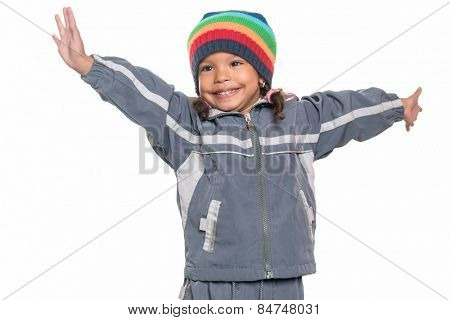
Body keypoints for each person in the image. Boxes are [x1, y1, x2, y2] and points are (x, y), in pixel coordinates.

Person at [52, 7, 423, 300]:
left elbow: (348, 112)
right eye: (207, 67)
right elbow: (145, 95)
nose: (221, 76)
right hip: (214, 282)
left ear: (262, 73)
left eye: (235, 63)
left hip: (285, 279)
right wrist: (90, 66)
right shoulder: (190, 127)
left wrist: (396, 106)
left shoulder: (298, 119)